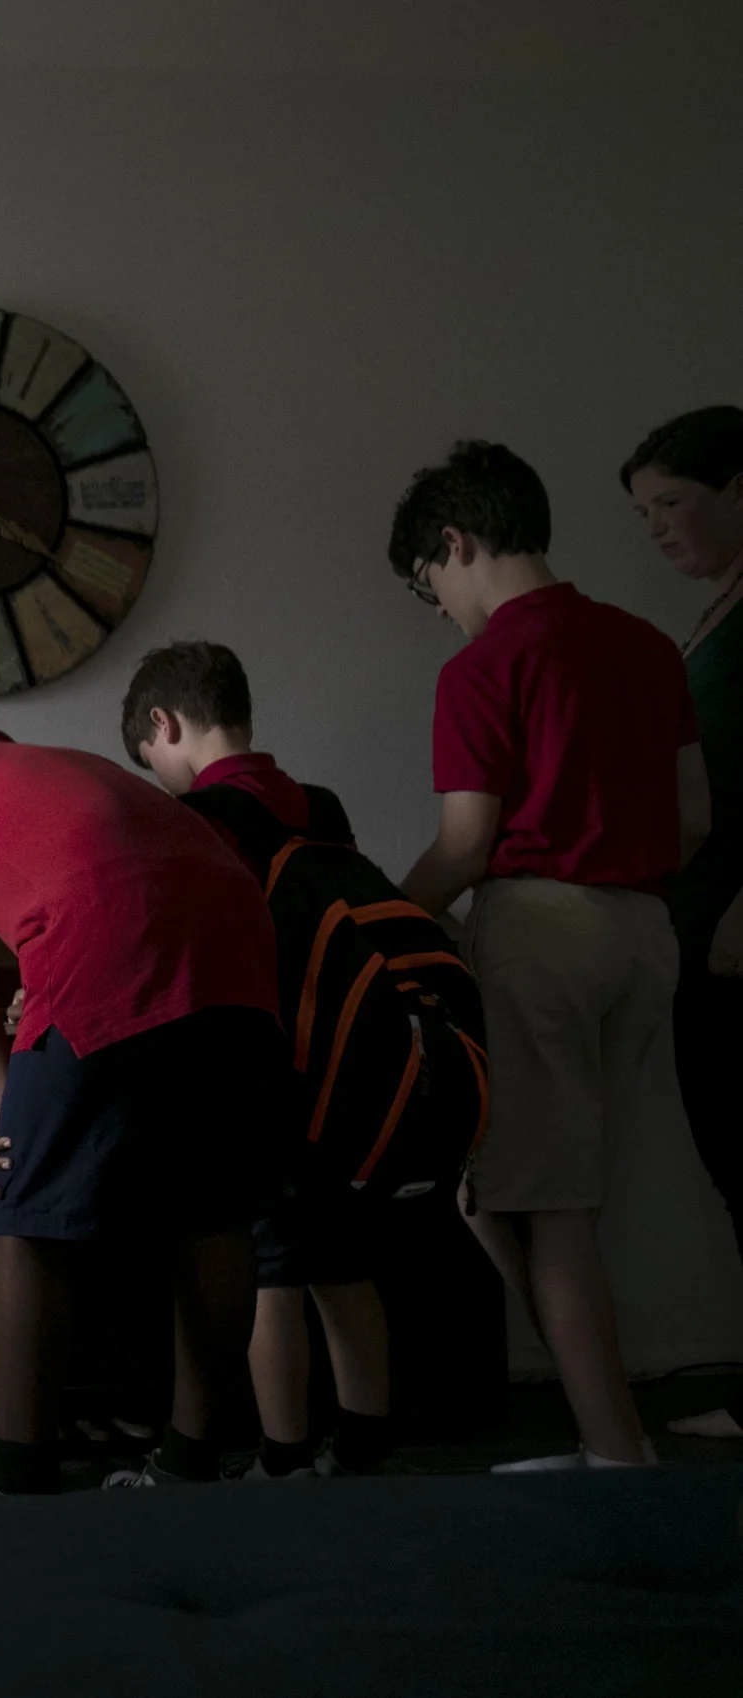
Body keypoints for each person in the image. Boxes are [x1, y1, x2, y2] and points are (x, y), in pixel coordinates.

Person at [0, 692, 281, 1495]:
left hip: (108, 924)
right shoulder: (44, 763)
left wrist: (4, 1099)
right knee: (208, 1208)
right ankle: (193, 1463)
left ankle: (19, 1482)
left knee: (15, 1202)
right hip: (235, 926)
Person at [388, 440, 708, 1469]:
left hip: (541, 933)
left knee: (541, 1206)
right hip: (644, 934)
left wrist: (376, 916)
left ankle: (616, 1454)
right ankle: (602, 1424)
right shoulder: (651, 646)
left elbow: (466, 845)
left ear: (454, 539)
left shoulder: (482, 668)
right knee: (554, 1194)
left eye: (428, 584)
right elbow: (694, 816)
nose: (439, 607)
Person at [122, 639, 487, 1480]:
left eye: (152, 761)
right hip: (357, 1065)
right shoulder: (318, 803)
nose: (160, 780)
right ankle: (360, 1447)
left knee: (273, 1267)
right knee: (346, 1258)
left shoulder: (200, 819)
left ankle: (282, 1459)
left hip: (270, 1069)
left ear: (163, 724)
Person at [621, 405, 743, 1444]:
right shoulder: (716, 609)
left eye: (672, 504)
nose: (658, 529)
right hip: (697, 930)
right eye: (645, 513)